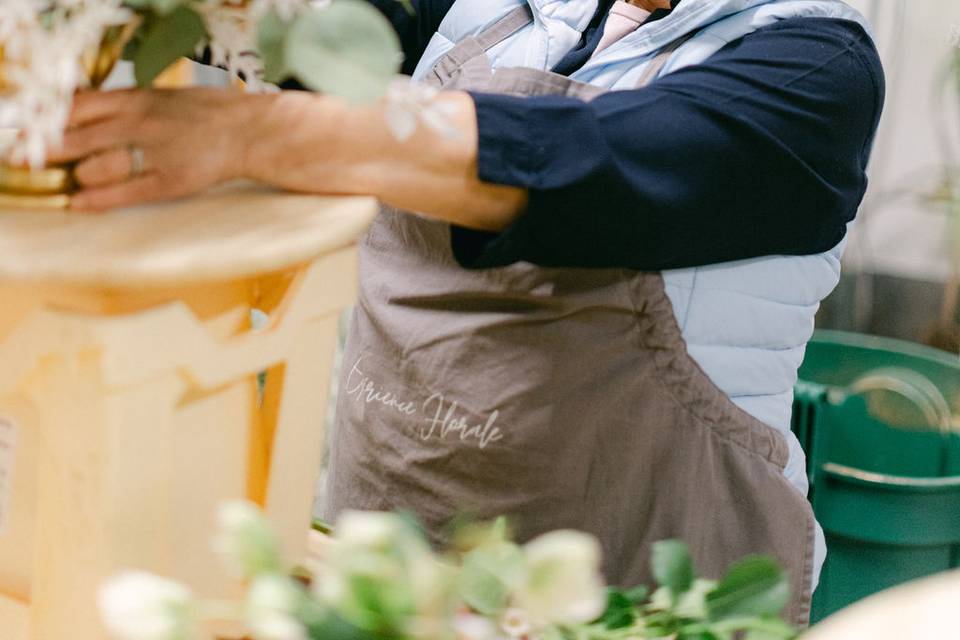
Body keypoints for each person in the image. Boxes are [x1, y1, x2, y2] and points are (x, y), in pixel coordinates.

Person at [52, 0, 884, 626]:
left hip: (640, 597)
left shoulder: (812, 66)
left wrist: (247, 135)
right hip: (380, 572)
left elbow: (576, 161)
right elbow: (293, 34)